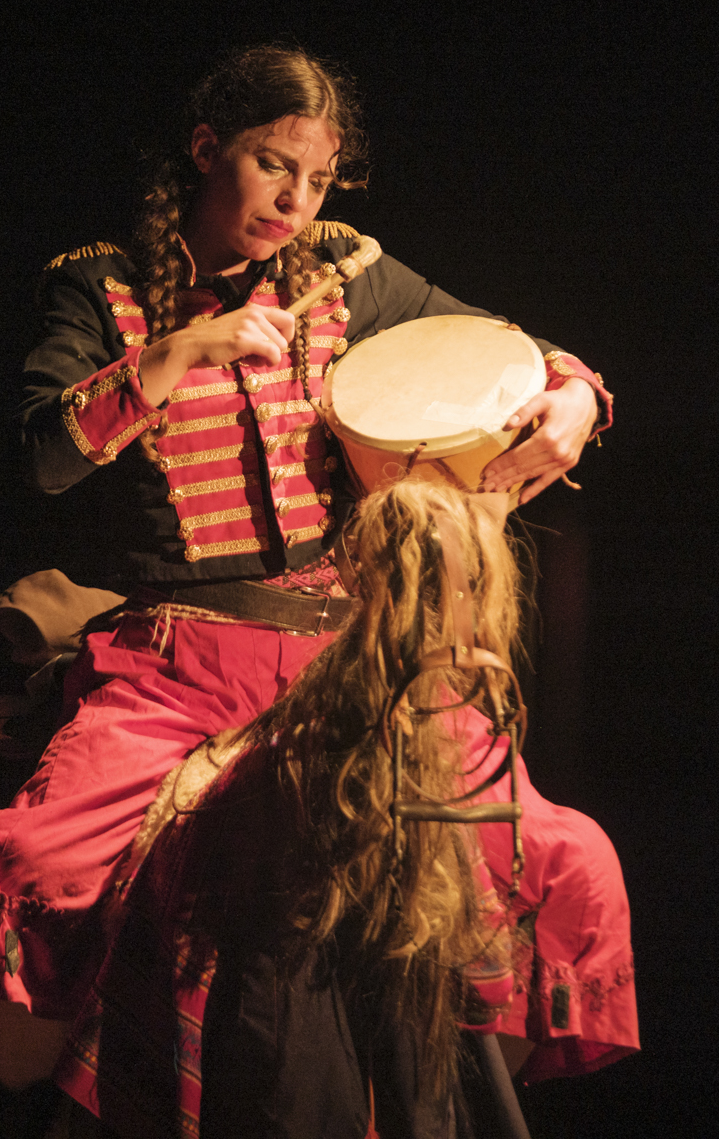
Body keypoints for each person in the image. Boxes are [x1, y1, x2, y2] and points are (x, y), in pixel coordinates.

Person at [0, 45, 635, 1121]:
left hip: (341, 661)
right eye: (273, 165)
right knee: (38, 859)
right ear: (206, 148)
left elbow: (508, 345)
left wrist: (576, 390)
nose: (295, 200)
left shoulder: (345, 275)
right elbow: (42, 454)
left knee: (554, 848)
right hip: (178, 662)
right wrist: (184, 349)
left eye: (317, 178)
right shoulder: (102, 283)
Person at [72, 481, 543, 1138]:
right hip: (290, 1054)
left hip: (294, 1052)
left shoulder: (374, 733)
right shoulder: (364, 752)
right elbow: (483, 987)